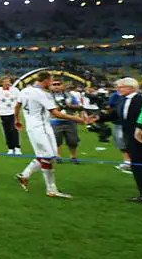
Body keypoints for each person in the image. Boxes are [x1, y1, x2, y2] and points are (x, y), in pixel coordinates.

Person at [13, 71, 92, 199]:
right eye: (51, 81)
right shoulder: (43, 94)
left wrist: (17, 119)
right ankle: (51, 189)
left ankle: (24, 175)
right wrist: (77, 119)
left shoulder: (25, 91)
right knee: (49, 156)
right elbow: (56, 113)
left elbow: (17, 106)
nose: (52, 83)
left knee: (46, 155)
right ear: (46, 80)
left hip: (32, 127)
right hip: (42, 127)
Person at [98, 78, 142, 201]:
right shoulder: (122, 101)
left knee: (139, 165)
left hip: (141, 138)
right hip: (130, 138)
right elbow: (115, 115)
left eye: (121, 87)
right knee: (136, 166)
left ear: (131, 88)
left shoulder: (141, 100)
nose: (118, 89)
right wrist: (97, 118)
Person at [49, 79, 82, 164]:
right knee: (57, 140)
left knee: (73, 140)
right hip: (55, 121)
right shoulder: (48, 96)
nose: (56, 86)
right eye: (54, 84)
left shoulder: (69, 95)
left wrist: (69, 105)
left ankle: (73, 156)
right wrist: (59, 107)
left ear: (62, 85)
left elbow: (78, 106)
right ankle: (58, 156)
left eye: (58, 84)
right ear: (50, 86)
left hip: (69, 121)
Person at [0, 77, 20, 155]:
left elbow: (19, 100)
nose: (7, 83)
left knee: (14, 130)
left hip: (13, 113)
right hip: (3, 113)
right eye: (5, 81)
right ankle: (10, 148)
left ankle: (17, 147)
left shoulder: (15, 90)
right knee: (6, 131)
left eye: (8, 81)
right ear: (1, 82)